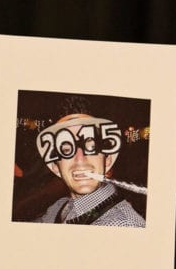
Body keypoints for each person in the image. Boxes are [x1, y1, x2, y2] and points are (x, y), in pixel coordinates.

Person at [35, 97, 146, 227]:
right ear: (55, 167)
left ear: (107, 160)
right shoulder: (59, 207)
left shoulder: (124, 224)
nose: (80, 159)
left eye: (91, 147)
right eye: (66, 149)